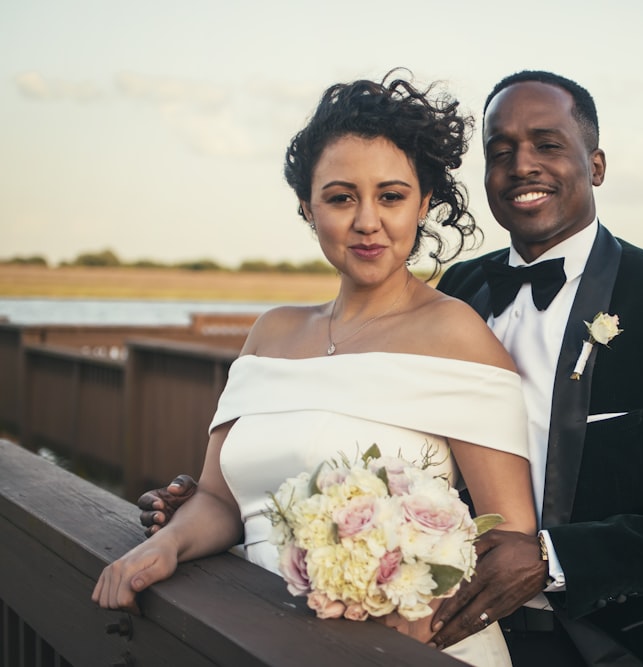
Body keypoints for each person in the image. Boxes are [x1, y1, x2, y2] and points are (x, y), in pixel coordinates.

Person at [140, 70, 643, 666]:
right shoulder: (459, 296)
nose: (521, 163)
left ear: (597, 164)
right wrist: (229, 505)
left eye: (547, 144)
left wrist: (554, 559)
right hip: (452, 636)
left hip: (620, 644)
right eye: (500, 151)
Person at [93, 72, 538, 667]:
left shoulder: (457, 336)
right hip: (258, 638)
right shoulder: (271, 332)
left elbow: (508, 545)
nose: (367, 221)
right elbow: (221, 502)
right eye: (340, 197)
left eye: (391, 195)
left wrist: (393, 629)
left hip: (406, 649)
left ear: (424, 203)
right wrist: (167, 546)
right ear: (308, 208)